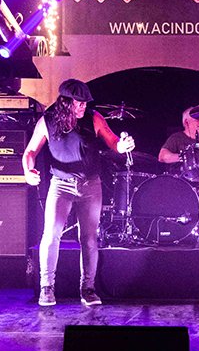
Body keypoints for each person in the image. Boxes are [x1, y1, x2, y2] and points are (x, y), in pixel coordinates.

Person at [23, 79, 135, 308]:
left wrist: (123, 146)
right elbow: (30, 151)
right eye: (79, 102)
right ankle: (46, 287)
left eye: (85, 102)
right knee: (51, 235)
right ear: (66, 102)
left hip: (90, 185)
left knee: (89, 237)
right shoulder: (47, 121)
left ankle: (88, 289)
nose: (84, 106)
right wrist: (28, 170)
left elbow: (113, 141)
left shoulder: (94, 118)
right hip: (61, 184)